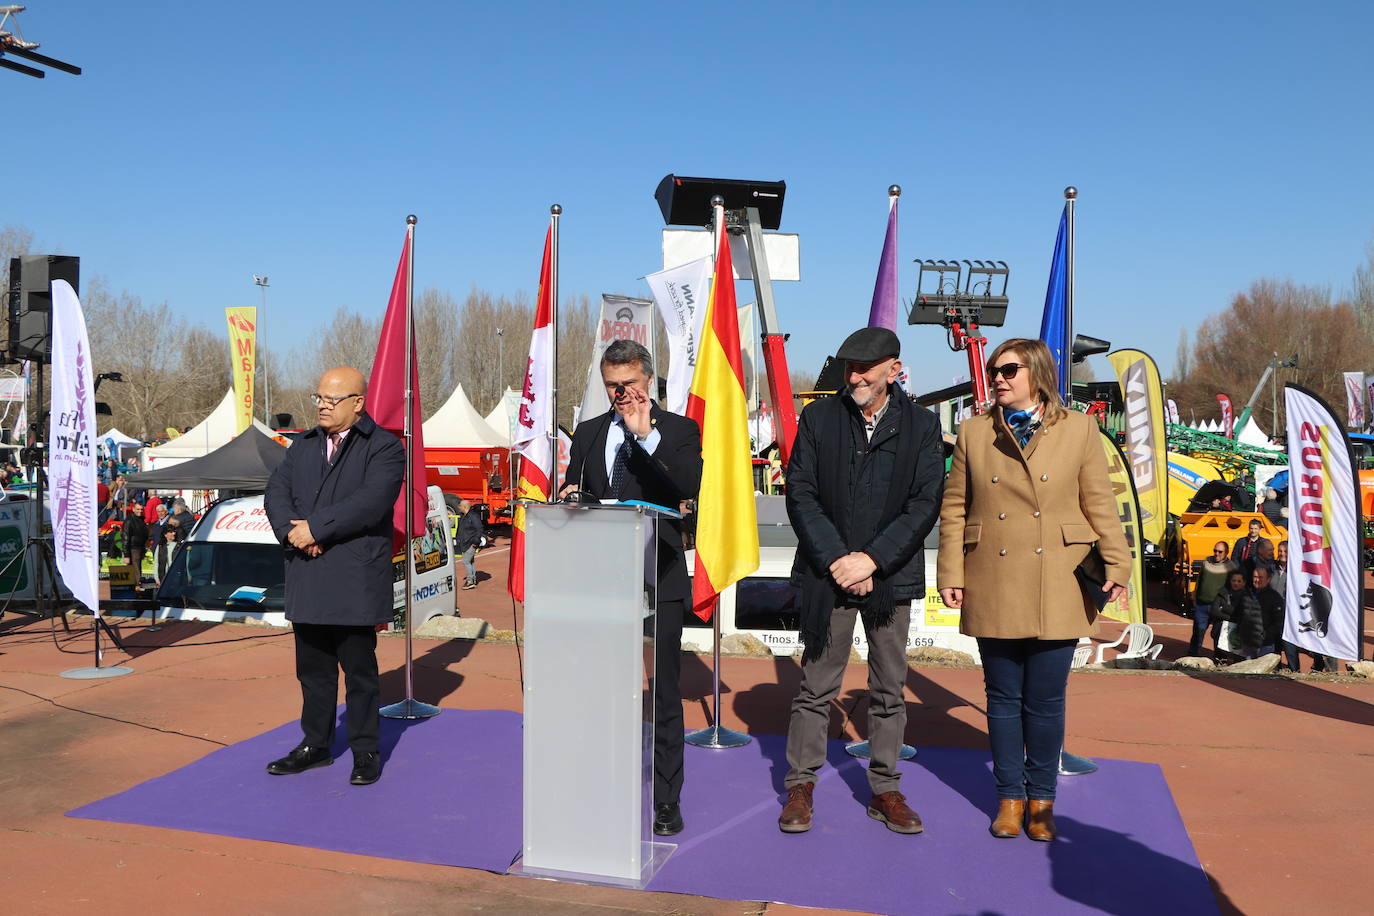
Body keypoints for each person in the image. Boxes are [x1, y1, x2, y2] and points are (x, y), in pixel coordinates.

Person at [937, 338, 1130, 843]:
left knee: (1045, 700)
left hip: (1060, 577)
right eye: (993, 370)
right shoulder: (974, 431)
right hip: (992, 576)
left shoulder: (1080, 429)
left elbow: (1100, 503)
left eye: (1008, 370)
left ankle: (1042, 800)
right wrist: (950, 573)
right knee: (1001, 698)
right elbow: (954, 507)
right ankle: (1009, 799)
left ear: (1036, 374)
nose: (997, 378)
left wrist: (1119, 562)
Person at [778, 327, 944, 837]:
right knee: (815, 687)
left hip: (889, 580)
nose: (854, 377)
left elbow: (924, 505)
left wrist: (871, 561)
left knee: (889, 688)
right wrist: (839, 562)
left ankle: (885, 789)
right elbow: (800, 492)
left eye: (865, 370)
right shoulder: (819, 417)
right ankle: (801, 785)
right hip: (828, 577)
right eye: (849, 367)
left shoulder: (922, 426)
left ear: (893, 369)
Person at [558, 339, 702, 837]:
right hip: (600, 577)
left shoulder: (680, 430)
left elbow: (687, 485)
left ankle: (667, 800)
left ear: (648, 381)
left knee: (663, 693)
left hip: (657, 575)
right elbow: (577, 485)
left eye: (629, 386)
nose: (621, 395)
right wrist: (572, 496)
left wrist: (645, 438)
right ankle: (597, 785)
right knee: (600, 690)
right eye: (612, 387)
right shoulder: (590, 431)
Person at [263, 366, 404, 787]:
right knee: (313, 671)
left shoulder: (383, 447)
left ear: (358, 403)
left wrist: (316, 528)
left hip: (352, 577)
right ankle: (315, 746)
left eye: (332, 398)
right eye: (319, 396)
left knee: (359, 672)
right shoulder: (302, 445)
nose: (322, 404)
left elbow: (371, 502)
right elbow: (276, 492)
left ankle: (365, 751)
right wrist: (293, 532)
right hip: (306, 572)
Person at [1190, 541, 1237, 657]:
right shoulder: (1206, 563)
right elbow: (1199, 582)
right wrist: (1195, 599)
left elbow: (1234, 587)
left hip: (1219, 607)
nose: (1216, 553)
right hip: (1202, 605)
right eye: (1215, 550)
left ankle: (1219, 658)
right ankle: (1192, 656)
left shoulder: (1231, 567)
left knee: (1218, 633)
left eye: (1220, 552)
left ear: (1226, 552)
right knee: (1198, 631)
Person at [1232, 565, 1284, 659]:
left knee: (1263, 673)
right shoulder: (1245, 594)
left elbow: (1278, 622)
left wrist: (1265, 636)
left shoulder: (1275, 598)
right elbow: (1238, 615)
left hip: (1265, 646)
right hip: (1246, 644)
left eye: (1260, 577)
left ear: (1268, 579)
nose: (1257, 580)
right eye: (1255, 577)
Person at [1208, 570, 1248, 657]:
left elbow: (1242, 614)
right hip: (1219, 630)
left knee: (1237, 660)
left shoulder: (1247, 596)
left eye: (1239, 581)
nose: (1236, 583)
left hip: (1237, 634)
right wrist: (1232, 617)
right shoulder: (1222, 592)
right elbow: (1214, 611)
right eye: (1233, 580)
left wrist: (1224, 608)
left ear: (1244, 583)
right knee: (1220, 659)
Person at [455, 499, 483, 589]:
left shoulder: (473, 516)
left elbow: (479, 529)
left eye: (460, 506)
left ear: (465, 507)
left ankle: (470, 581)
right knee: (471, 561)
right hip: (465, 542)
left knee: (466, 561)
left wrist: (475, 541)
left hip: (470, 543)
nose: (459, 507)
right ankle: (473, 579)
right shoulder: (464, 516)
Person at [123, 499, 149, 580]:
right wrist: (126, 555)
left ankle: (136, 586)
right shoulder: (129, 520)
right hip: (133, 548)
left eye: (141, 509)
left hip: (140, 547)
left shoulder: (141, 520)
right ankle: (135, 587)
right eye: (138, 509)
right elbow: (125, 538)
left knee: (137, 569)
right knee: (135, 570)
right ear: (133, 509)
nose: (140, 511)